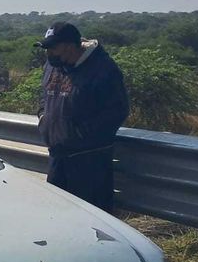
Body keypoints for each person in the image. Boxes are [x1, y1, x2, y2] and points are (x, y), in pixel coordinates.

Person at [36, 21, 129, 214]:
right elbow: (45, 95)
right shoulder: (53, 66)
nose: (49, 53)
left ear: (70, 46)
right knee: (56, 217)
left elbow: (117, 110)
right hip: (58, 156)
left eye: (53, 48)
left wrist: (78, 135)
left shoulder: (102, 68)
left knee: (92, 220)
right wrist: (43, 117)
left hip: (89, 162)